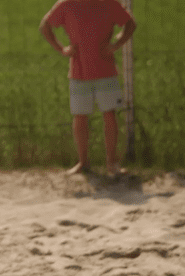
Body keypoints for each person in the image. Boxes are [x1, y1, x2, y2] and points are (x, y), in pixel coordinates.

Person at [39, 0, 136, 176]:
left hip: (106, 72)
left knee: (109, 114)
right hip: (78, 72)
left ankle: (112, 163)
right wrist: (62, 49)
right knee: (80, 116)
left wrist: (116, 45)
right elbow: (45, 26)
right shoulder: (67, 4)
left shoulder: (109, 3)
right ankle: (83, 162)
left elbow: (130, 24)